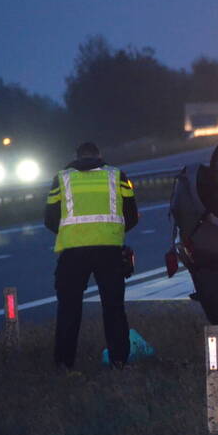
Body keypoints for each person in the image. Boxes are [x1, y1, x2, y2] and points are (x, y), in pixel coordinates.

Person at [44, 141, 138, 369]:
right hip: (109, 251)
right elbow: (132, 216)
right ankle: (119, 363)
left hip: (73, 253)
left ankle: (64, 365)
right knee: (114, 308)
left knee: (69, 309)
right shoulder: (118, 176)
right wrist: (109, 232)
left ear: (76, 156)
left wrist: (74, 233)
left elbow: (49, 219)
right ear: (99, 155)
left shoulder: (61, 179)